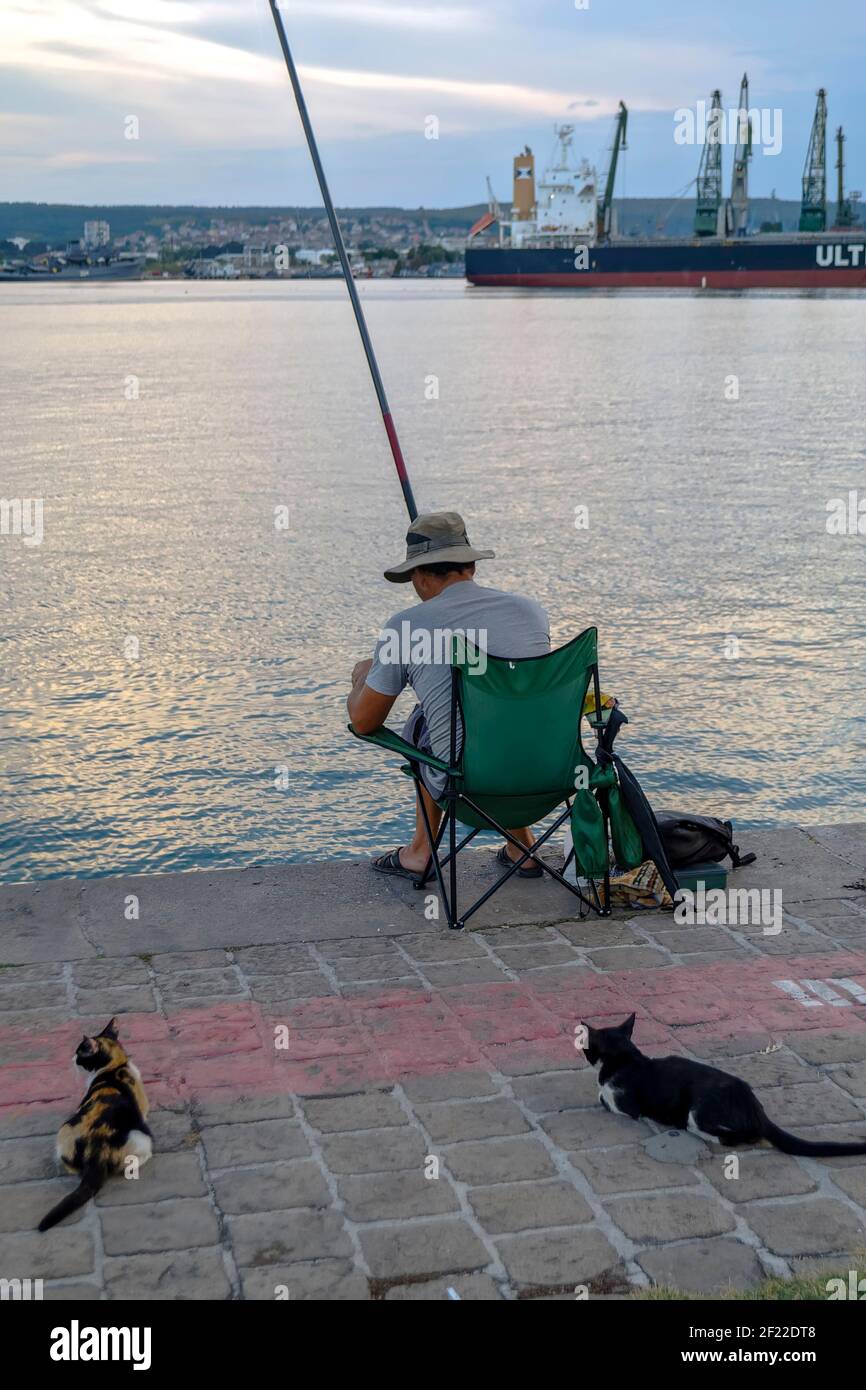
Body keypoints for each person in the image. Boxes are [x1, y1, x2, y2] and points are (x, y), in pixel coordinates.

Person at [348, 510, 550, 879]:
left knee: (426, 721)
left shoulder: (406, 626)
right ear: (470, 568)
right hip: (547, 777)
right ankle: (522, 844)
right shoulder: (530, 612)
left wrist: (363, 675)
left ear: (420, 577)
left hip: (467, 786)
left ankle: (420, 852)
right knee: (496, 716)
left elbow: (363, 722)